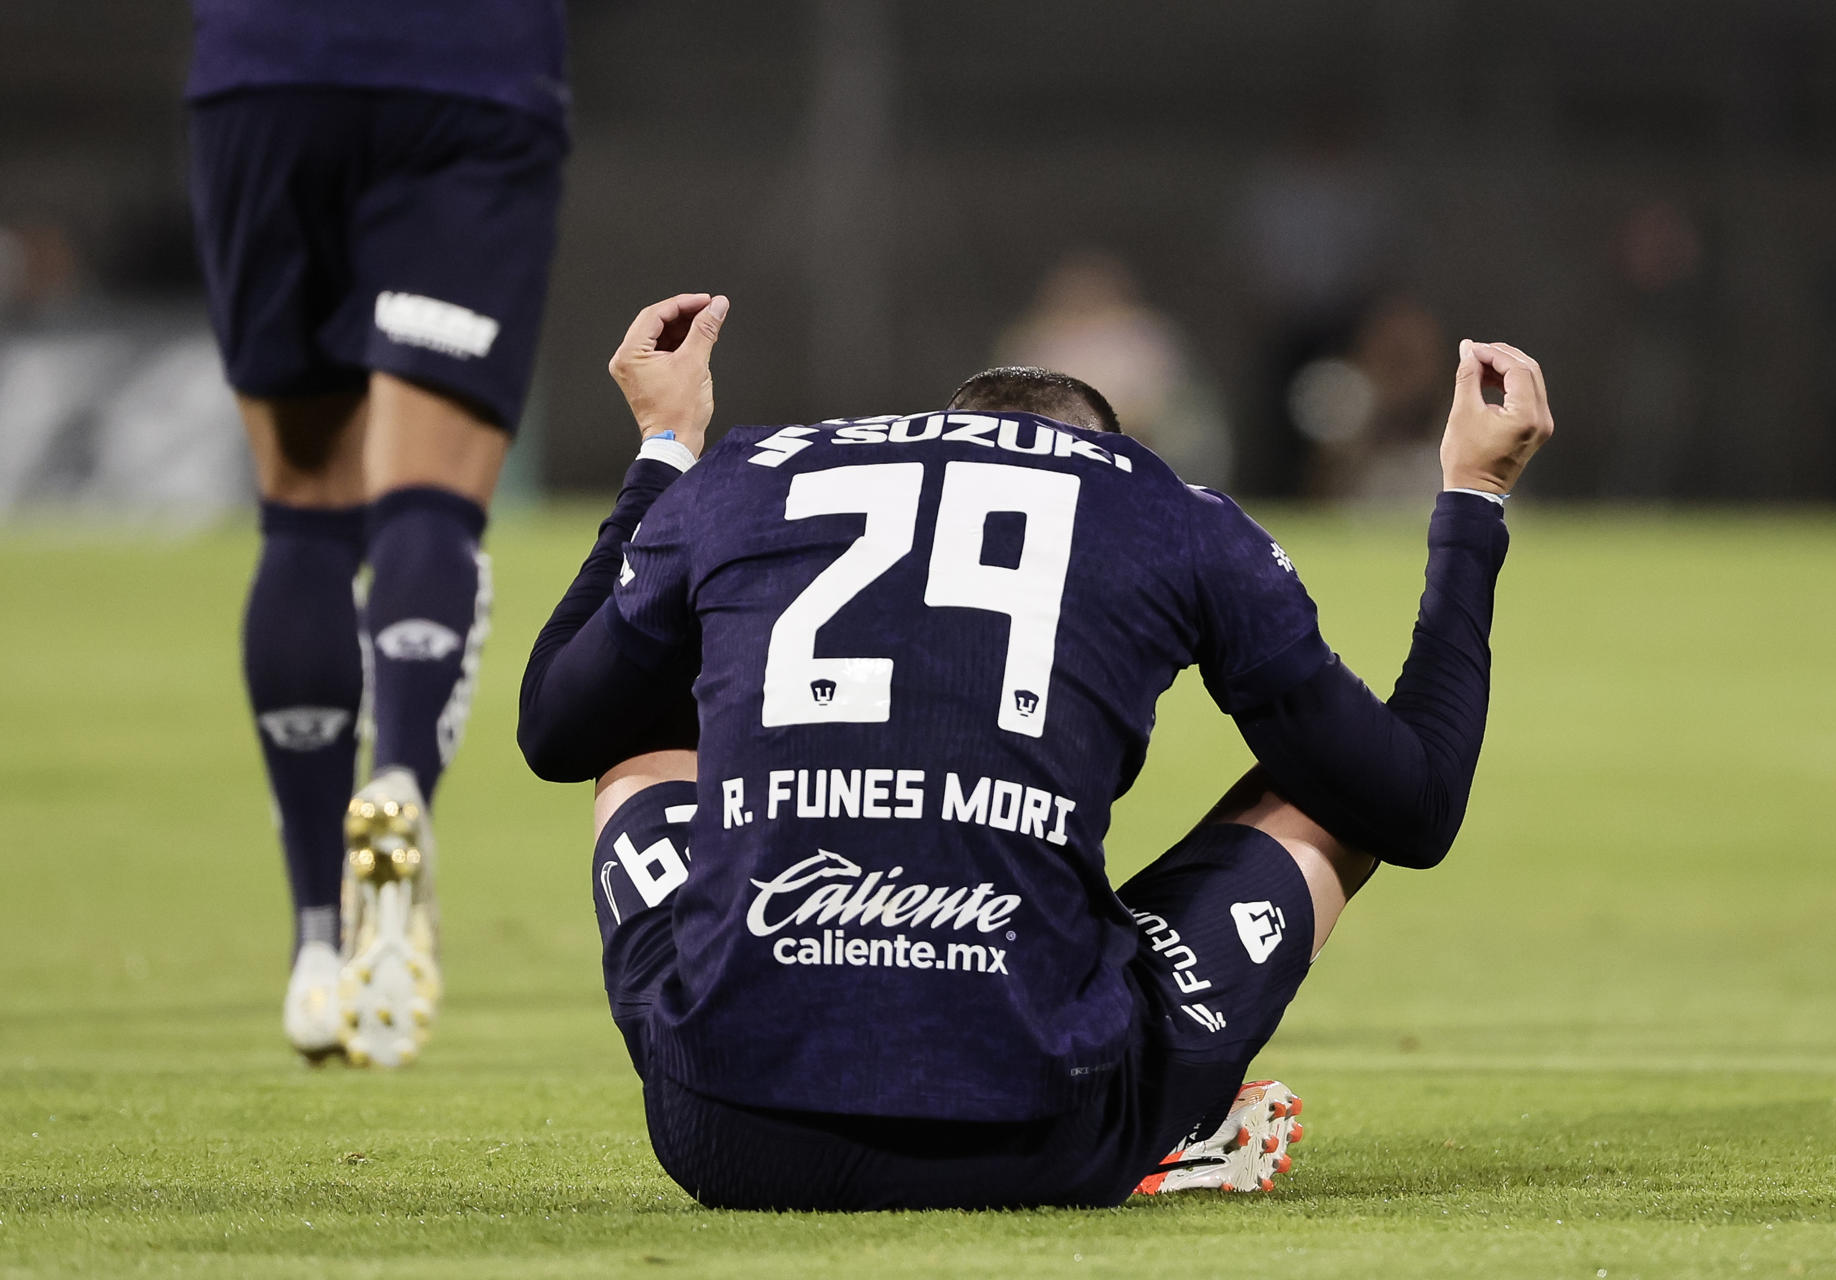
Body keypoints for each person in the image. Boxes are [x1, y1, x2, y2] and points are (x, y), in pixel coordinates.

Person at [518, 293, 1552, 1209]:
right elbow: (1413, 805)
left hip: (725, 1133)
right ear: (1102, 448)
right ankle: (1161, 1109)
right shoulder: (1161, 507)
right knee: (1335, 786)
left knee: (637, 739)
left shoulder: (745, 474)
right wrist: (1472, 497)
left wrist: (664, 446)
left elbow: (554, 726)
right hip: (1044, 1134)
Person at [183, 0, 569, 1066]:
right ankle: (398, 779)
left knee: (303, 497)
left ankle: (315, 941)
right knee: (428, 494)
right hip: (470, 74)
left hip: (266, 72)